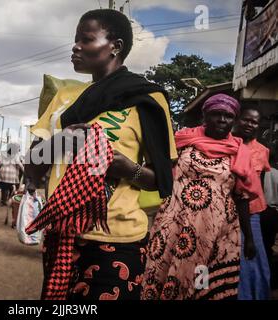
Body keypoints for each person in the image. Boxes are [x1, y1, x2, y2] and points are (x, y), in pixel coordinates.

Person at [25, 9, 176, 300]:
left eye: (86, 39)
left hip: (117, 241)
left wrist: (127, 169)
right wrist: (60, 142)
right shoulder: (64, 99)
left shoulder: (146, 99)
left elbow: (163, 180)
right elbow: (31, 168)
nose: (76, 46)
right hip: (62, 236)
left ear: (115, 46)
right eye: (75, 39)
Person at [141, 94, 261, 300]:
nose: (222, 120)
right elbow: (159, 172)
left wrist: (249, 238)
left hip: (214, 233)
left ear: (234, 120)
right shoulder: (182, 140)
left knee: (201, 279)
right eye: (216, 114)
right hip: (174, 225)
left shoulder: (239, 152)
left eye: (228, 116)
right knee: (161, 271)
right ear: (205, 115)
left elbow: (242, 197)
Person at [232, 107, 272, 300]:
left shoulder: (263, 151)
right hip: (227, 211)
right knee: (232, 259)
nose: (250, 124)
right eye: (246, 120)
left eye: (254, 122)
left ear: (258, 126)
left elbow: (259, 182)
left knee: (255, 258)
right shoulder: (228, 144)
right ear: (238, 120)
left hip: (253, 213)